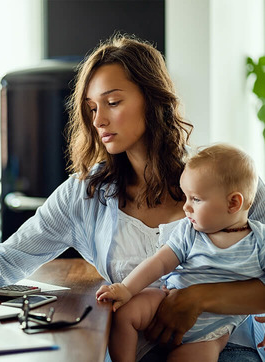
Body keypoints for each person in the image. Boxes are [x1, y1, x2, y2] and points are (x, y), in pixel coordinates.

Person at [0, 33, 265, 361]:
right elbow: (12, 255)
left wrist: (198, 297)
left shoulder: (228, 180)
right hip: (133, 352)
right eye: (92, 108)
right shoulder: (84, 194)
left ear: (153, 98)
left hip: (224, 348)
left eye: (112, 102)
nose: (99, 120)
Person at [96, 144, 265, 362]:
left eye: (195, 199)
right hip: (167, 300)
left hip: (210, 334)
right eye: (185, 197)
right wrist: (126, 289)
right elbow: (160, 262)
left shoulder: (259, 242)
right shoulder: (189, 231)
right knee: (125, 313)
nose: (186, 207)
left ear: (233, 203)